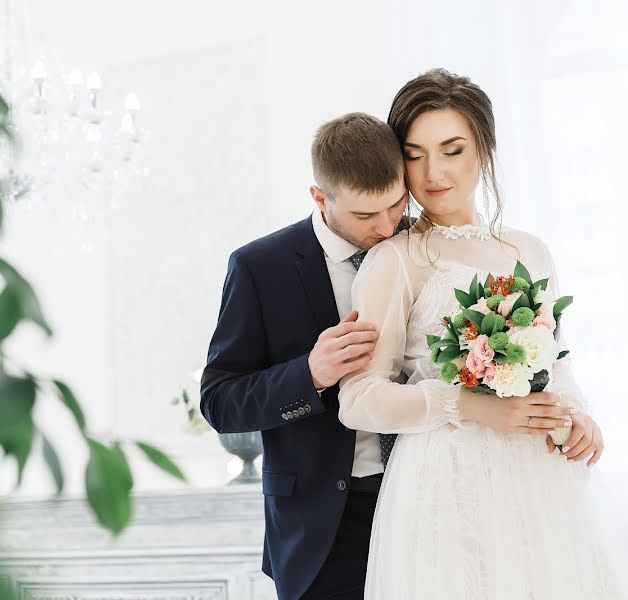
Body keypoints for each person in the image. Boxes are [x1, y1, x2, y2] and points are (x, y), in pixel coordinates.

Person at [200, 113, 576, 600]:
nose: (386, 226)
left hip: (438, 496)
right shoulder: (259, 267)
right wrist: (309, 375)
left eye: (396, 204)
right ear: (320, 197)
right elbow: (220, 401)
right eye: (363, 216)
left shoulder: (426, 248)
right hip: (326, 524)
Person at [337, 69, 624, 599]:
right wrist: (468, 405)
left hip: (541, 481)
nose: (433, 172)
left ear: (483, 151)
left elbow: (557, 365)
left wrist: (578, 415)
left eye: (452, 149)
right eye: (415, 153)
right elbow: (359, 401)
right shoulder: (394, 261)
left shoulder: (529, 251)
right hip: (444, 488)